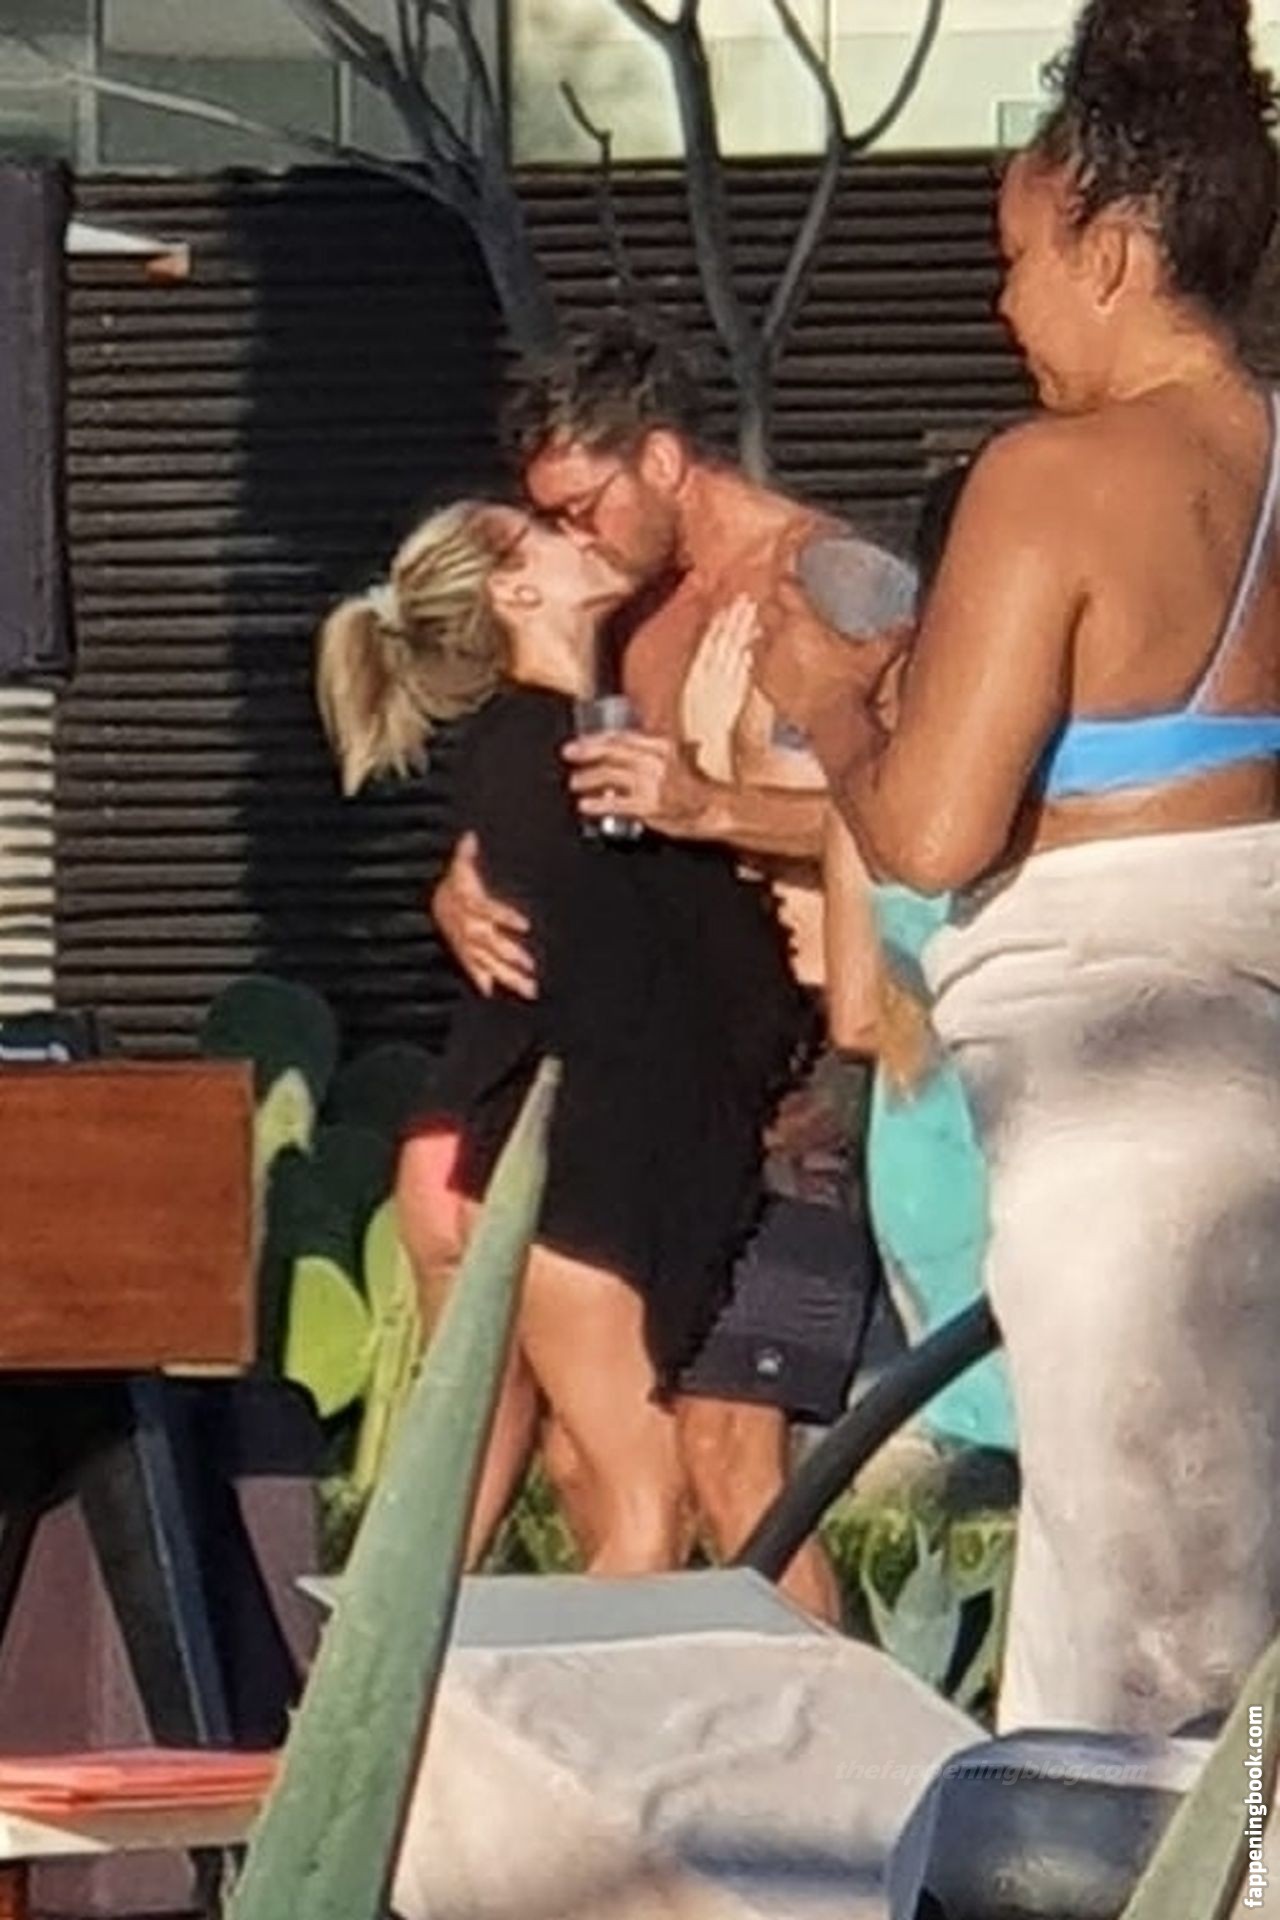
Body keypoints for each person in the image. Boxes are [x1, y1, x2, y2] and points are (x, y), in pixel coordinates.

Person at [751, 0, 1280, 1737]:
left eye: (1018, 259)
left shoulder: (1052, 478)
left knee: (1132, 1643)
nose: (1004, 305)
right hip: (1255, 1046)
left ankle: (1162, 1866)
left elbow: (930, 833)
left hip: (1121, 1103)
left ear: (1112, 251)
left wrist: (830, 708)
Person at [431, 327, 915, 1617]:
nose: (571, 539)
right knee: (622, 1462)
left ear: (659, 458)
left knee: (736, 1464)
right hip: (679, 1098)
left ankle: (829, 1736)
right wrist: (463, 881)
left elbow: (918, 821)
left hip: (810, 1075)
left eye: (581, 509)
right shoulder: (634, 618)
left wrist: (713, 806)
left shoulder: (833, 582)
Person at [316, 499, 805, 1578]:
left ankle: (376, 1676)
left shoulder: (519, 752)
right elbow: (645, 971)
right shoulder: (575, 757)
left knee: (453, 1504)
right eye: (548, 528)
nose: (579, 534)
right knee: (644, 1499)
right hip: (555, 1155)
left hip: (464, 1124)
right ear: (513, 590)